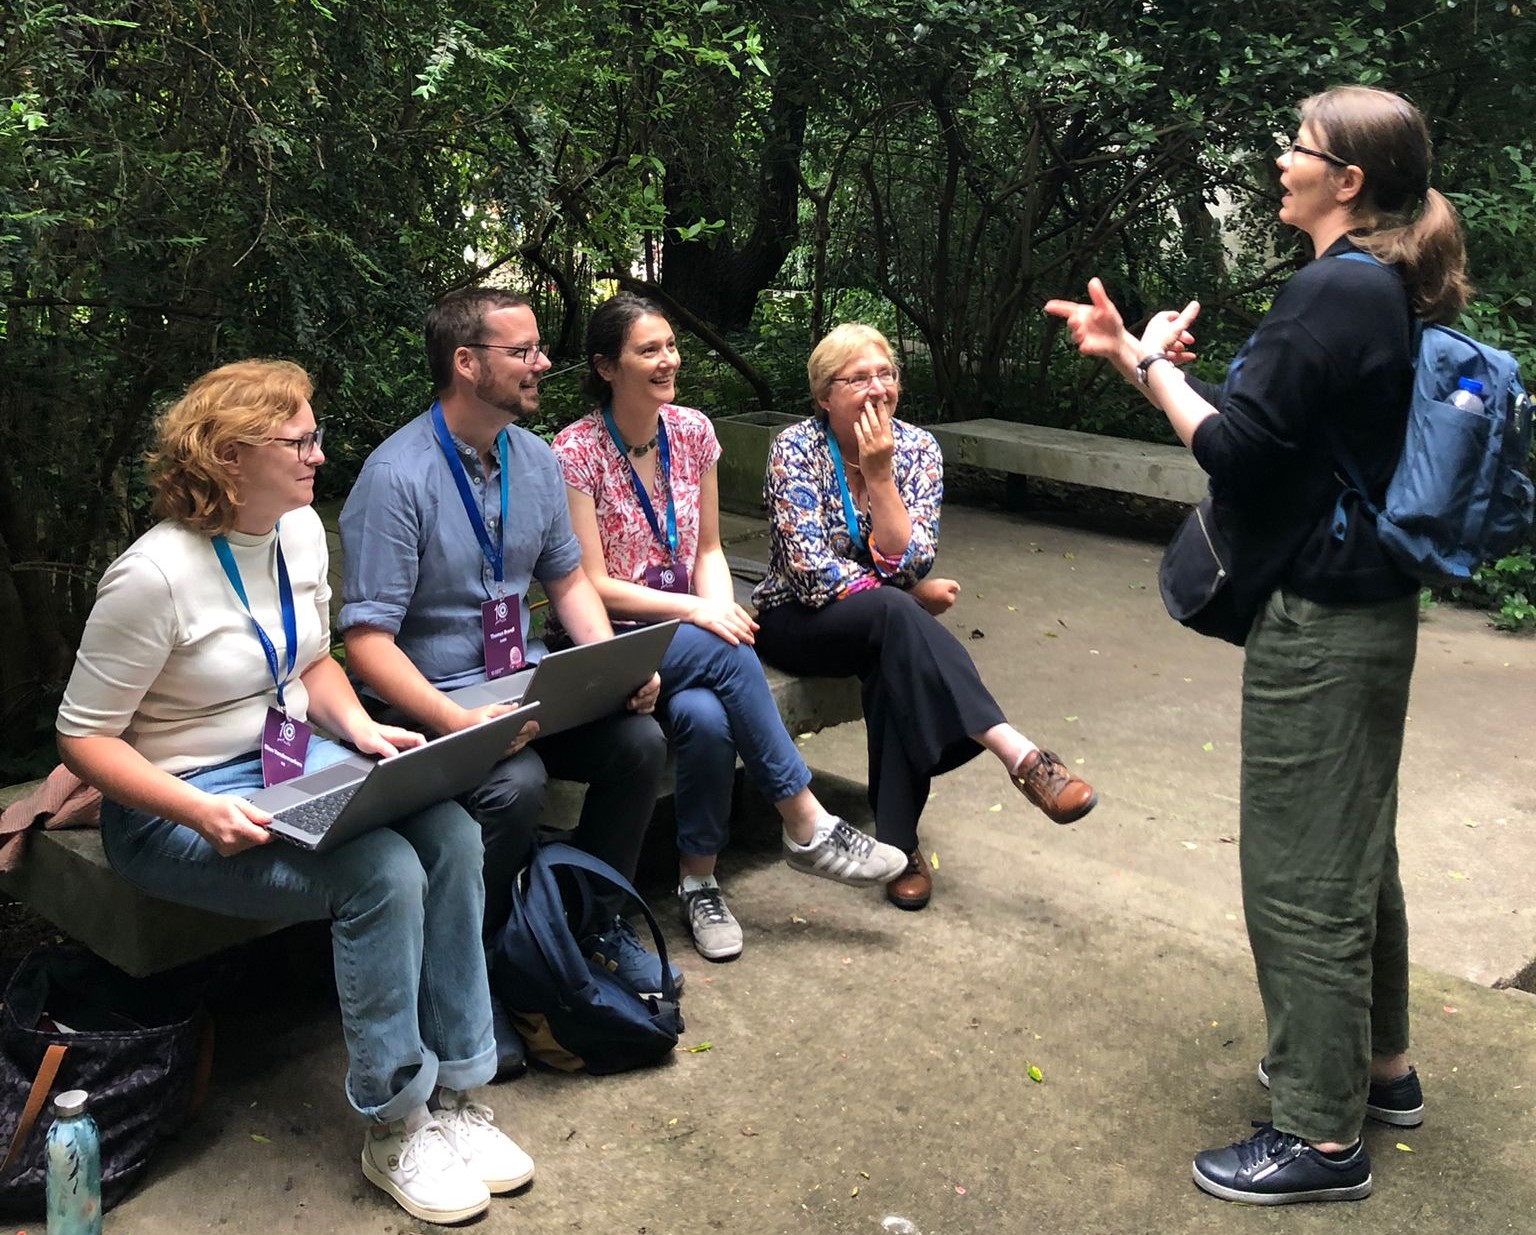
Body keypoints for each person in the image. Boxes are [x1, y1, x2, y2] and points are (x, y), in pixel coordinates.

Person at [1045, 85, 1461, 1205]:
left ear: (1349, 179)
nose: (1283, 160)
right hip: (1367, 604)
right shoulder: (1379, 289)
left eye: (1299, 148)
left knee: (1298, 873)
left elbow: (1233, 449)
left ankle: (1320, 1138)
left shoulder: (1333, 288)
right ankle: (1382, 1069)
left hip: (1322, 621)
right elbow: (1280, 440)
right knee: (1352, 846)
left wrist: (1151, 365)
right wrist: (1134, 354)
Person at [55, 360, 531, 1225]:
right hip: (180, 804)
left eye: (316, 435)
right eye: (300, 440)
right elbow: (81, 735)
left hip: (290, 762)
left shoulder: (300, 529)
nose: (320, 453)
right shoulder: (152, 575)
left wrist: (360, 729)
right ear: (230, 456)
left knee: (453, 832)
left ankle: (460, 1090)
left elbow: (311, 656)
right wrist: (194, 808)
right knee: (381, 873)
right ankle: (395, 1122)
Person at [338, 289, 675, 1055]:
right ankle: (479, 973)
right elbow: (365, 642)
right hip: (433, 710)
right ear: (466, 363)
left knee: (639, 742)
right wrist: (453, 720)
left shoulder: (535, 458)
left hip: (521, 688)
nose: (542, 364)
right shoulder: (396, 478)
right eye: (522, 352)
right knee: (513, 786)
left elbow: (566, 581)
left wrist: (609, 665)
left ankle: (588, 930)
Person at [550, 294, 909, 962]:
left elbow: (710, 549)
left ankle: (698, 882)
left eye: (671, 346)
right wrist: (699, 613)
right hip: (611, 635)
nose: (668, 360)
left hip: (691, 637)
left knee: (709, 718)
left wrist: (720, 612)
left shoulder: (693, 433)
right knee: (722, 650)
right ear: (606, 365)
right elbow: (589, 582)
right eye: (648, 350)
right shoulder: (574, 450)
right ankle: (805, 822)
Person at [750, 323, 1098, 912]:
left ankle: (897, 845)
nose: (877, 388)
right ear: (823, 396)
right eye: (856, 378)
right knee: (896, 614)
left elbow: (913, 558)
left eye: (886, 373)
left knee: (894, 662)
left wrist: (880, 476)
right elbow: (810, 572)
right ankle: (1019, 755)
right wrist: (908, 599)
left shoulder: (917, 449)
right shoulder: (795, 449)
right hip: (796, 619)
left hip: (883, 625)